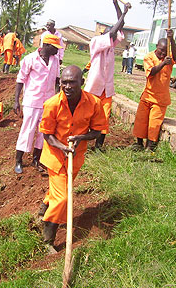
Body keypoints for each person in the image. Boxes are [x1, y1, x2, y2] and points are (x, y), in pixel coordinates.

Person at [38, 65, 107, 253]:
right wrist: (63, 147)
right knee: (62, 199)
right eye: (64, 82)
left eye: (72, 82)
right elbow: (47, 134)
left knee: (60, 190)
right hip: (55, 155)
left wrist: (80, 138)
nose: (67, 87)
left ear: (81, 83)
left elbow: (96, 131)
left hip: (76, 157)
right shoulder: (52, 104)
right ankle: (48, 239)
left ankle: (43, 208)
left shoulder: (94, 103)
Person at [84, 0, 131, 150]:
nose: (115, 34)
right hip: (93, 88)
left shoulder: (111, 45)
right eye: (111, 32)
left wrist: (116, 4)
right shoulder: (96, 42)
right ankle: (80, 143)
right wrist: (123, 13)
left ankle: (98, 146)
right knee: (86, 117)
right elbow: (114, 31)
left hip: (106, 89)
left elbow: (120, 26)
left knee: (104, 118)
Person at [13, 34, 62, 174]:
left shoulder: (55, 60)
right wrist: (16, 101)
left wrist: (57, 99)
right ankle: (18, 160)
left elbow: (57, 80)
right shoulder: (30, 59)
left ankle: (36, 159)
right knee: (27, 131)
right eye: (55, 47)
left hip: (48, 102)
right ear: (46, 45)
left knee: (43, 132)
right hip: (32, 101)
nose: (57, 51)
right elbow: (20, 80)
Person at [132, 29, 176, 151]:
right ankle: (139, 143)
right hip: (147, 95)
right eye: (161, 51)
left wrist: (172, 39)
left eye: (165, 52)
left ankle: (150, 146)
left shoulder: (169, 59)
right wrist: (163, 64)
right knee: (141, 120)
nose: (163, 54)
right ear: (156, 47)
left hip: (160, 99)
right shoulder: (149, 57)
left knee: (154, 122)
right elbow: (151, 72)